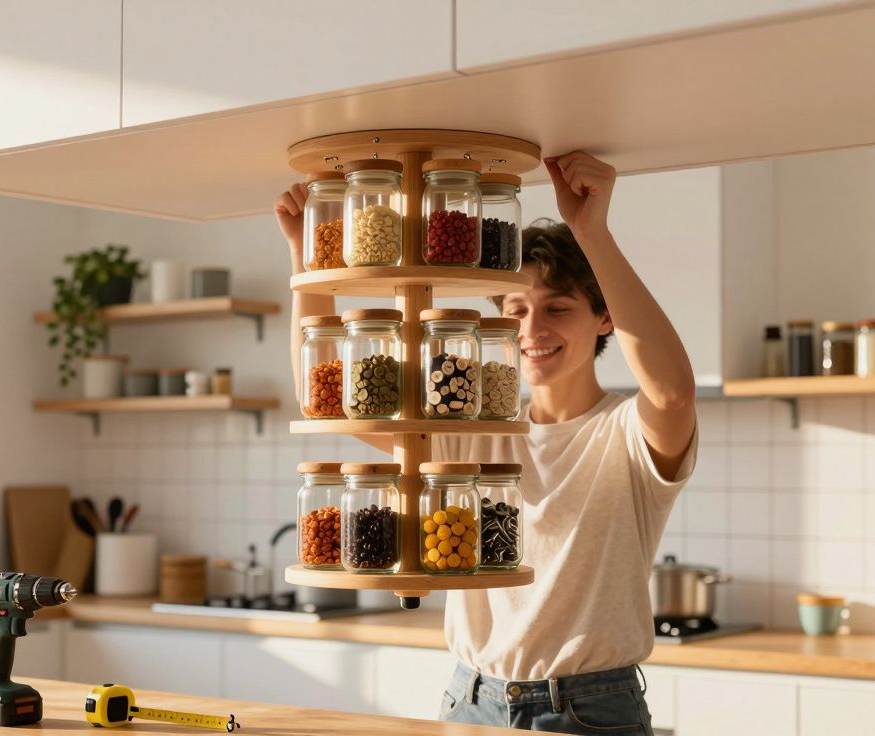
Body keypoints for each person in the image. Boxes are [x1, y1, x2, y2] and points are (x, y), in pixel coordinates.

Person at [274, 151, 697, 736]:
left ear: (604, 318)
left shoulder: (626, 432)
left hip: (590, 710)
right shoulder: (472, 429)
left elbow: (673, 394)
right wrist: (306, 259)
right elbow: (328, 400)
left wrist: (591, 232)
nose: (532, 331)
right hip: (471, 697)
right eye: (516, 310)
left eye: (558, 308)